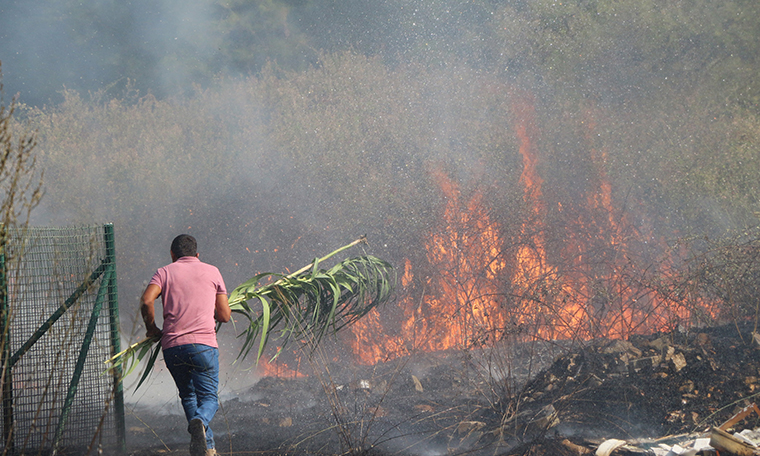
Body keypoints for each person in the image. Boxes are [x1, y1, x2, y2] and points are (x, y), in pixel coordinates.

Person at [140, 234, 231, 456]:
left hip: (173, 347)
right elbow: (225, 316)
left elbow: (146, 300)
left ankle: (207, 449)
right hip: (203, 346)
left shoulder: (164, 272)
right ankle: (200, 421)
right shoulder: (212, 271)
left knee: (188, 396)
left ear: (172, 254)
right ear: (197, 254)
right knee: (209, 399)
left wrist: (152, 329)